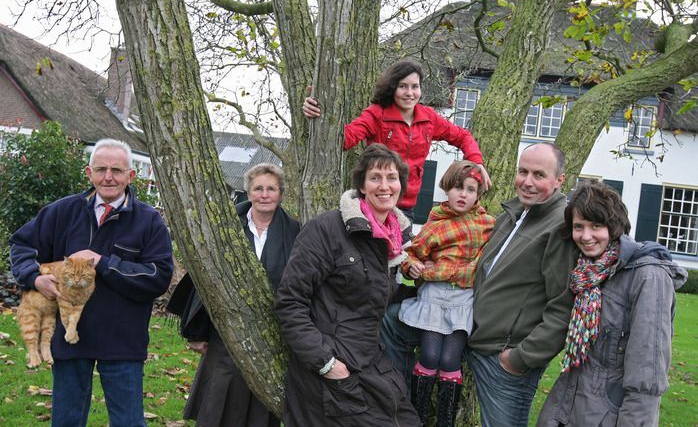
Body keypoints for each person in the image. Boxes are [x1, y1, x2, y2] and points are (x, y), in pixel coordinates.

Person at [380, 142, 579, 426]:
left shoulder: (559, 227)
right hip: (469, 327)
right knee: (392, 322)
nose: (527, 181)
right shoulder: (515, 215)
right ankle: (401, 405)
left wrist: (520, 358)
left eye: (539, 175)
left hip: (503, 355)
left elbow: (563, 307)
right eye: (523, 172)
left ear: (560, 180)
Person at [10, 138, 174, 427]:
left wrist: (104, 262)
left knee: (128, 423)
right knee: (66, 422)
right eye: (100, 169)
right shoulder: (62, 211)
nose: (108, 177)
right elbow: (22, 245)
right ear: (88, 173)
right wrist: (35, 278)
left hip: (123, 339)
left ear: (131, 175)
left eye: (116, 170)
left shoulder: (149, 221)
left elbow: (158, 276)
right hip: (70, 337)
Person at [275, 143, 420, 426]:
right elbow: (290, 302)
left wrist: (416, 279)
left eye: (392, 178)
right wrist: (326, 363)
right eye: (375, 178)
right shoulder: (328, 229)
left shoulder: (396, 240)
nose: (384, 186)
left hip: (372, 360)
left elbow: (376, 296)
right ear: (362, 185)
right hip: (330, 364)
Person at [537, 180, 687, 426]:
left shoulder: (649, 276)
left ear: (615, 226)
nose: (585, 236)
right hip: (565, 409)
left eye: (596, 226)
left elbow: (646, 376)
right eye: (578, 227)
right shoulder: (587, 273)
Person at [168, 164, 301, 427]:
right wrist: (197, 332)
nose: (264, 194)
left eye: (271, 189)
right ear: (248, 192)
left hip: (270, 337)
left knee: (258, 417)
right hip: (225, 335)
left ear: (281, 194)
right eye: (258, 188)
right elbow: (206, 280)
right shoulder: (226, 228)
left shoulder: (295, 232)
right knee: (216, 408)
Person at [302, 58, 491, 215]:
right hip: (375, 202)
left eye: (415, 87)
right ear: (393, 88)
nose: (410, 93)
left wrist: (476, 161)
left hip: (407, 207)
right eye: (403, 86)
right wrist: (319, 112)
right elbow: (344, 139)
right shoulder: (377, 114)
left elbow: (462, 136)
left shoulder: (429, 118)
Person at [398, 160, 495, 426]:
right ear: (446, 189)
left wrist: (438, 269)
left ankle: (446, 421)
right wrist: (413, 268)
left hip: (463, 298)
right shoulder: (436, 220)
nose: (463, 195)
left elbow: (484, 264)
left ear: (478, 194)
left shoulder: (487, 224)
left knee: (450, 359)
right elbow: (412, 254)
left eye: (471, 190)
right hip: (434, 296)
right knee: (429, 356)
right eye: (457, 188)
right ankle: (416, 417)